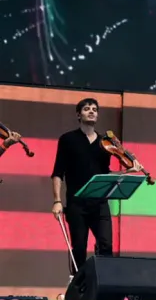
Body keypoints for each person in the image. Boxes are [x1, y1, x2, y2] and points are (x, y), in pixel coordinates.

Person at [51, 98, 142, 273]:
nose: (91, 111)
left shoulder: (104, 143)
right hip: (77, 203)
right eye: (86, 109)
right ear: (79, 114)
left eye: (94, 109)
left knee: (106, 245)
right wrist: (57, 200)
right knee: (78, 249)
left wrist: (126, 172)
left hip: (99, 203)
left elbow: (105, 173)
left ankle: (103, 284)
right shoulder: (68, 139)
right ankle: (80, 289)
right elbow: (57, 172)